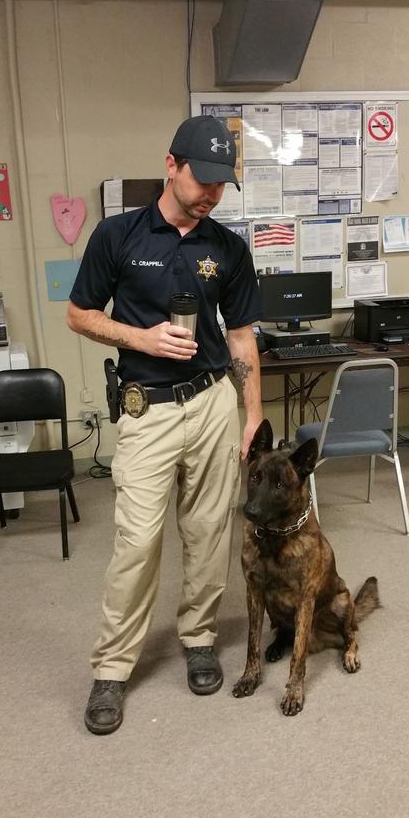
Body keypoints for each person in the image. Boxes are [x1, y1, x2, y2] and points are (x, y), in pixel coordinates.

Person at [67, 115, 262, 735]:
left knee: (208, 532)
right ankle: (112, 668)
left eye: (221, 185)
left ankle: (200, 637)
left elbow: (240, 335)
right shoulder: (117, 235)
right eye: (202, 179)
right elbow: (78, 315)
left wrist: (252, 412)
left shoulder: (228, 246)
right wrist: (139, 336)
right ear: (171, 165)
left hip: (211, 403)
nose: (211, 193)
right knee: (138, 541)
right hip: (145, 408)